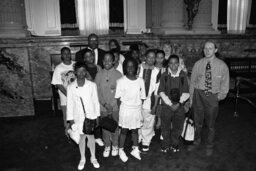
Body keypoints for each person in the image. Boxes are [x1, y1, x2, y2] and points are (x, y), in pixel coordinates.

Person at [189, 41, 229, 156]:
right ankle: (197, 141)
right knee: (198, 120)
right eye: (205, 48)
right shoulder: (198, 64)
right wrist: (191, 97)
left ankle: (209, 144)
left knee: (211, 123)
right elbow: (192, 82)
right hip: (198, 94)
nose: (207, 51)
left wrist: (219, 97)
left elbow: (225, 83)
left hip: (212, 95)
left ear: (215, 50)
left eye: (210, 48)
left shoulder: (222, 65)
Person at [66, 62, 100, 170]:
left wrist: (97, 116)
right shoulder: (71, 87)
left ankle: (93, 157)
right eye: (79, 71)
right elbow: (70, 104)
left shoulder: (92, 85)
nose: (81, 73)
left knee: (91, 137)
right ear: (75, 72)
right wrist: (71, 120)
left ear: (86, 72)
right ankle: (82, 158)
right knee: (81, 138)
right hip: (78, 117)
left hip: (90, 115)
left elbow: (95, 101)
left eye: (83, 71)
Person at [115, 58, 146, 162]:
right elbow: (118, 99)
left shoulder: (141, 81)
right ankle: (120, 150)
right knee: (123, 131)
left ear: (137, 68)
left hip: (136, 110)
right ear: (124, 68)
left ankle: (135, 149)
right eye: (128, 66)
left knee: (135, 130)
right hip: (125, 110)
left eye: (133, 66)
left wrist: (137, 108)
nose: (130, 68)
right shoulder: (120, 81)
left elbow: (142, 97)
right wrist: (123, 111)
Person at [158, 54, 190, 153]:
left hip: (179, 106)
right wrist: (169, 104)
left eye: (175, 63)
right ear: (168, 64)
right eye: (171, 63)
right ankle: (165, 144)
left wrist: (179, 104)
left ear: (178, 64)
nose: (173, 65)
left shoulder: (183, 75)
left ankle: (175, 144)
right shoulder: (165, 75)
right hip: (167, 106)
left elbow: (186, 92)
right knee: (165, 127)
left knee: (178, 126)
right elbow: (161, 91)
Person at [95, 52, 122, 158]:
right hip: (103, 107)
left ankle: (115, 145)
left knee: (114, 126)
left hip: (115, 107)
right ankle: (107, 145)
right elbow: (97, 91)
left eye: (109, 60)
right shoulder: (99, 74)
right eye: (105, 60)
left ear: (114, 61)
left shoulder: (118, 74)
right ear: (102, 62)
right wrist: (105, 104)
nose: (107, 62)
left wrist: (111, 104)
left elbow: (120, 92)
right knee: (105, 127)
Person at [137, 49, 159, 152]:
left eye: (153, 57)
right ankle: (138, 137)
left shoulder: (157, 71)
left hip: (150, 99)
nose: (151, 59)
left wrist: (155, 105)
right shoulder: (139, 67)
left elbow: (157, 90)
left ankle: (146, 140)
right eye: (149, 57)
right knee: (137, 119)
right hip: (137, 98)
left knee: (148, 120)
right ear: (145, 57)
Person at [51, 47, 76, 135]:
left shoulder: (75, 65)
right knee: (67, 116)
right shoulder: (58, 68)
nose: (67, 55)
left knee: (77, 114)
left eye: (68, 53)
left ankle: (77, 132)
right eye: (64, 54)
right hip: (65, 97)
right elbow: (58, 84)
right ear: (61, 55)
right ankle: (68, 133)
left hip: (77, 96)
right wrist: (68, 95)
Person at [82, 48, 104, 147]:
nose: (89, 58)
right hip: (87, 97)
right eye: (87, 56)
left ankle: (98, 137)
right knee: (88, 118)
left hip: (98, 96)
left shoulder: (99, 67)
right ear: (84, 59)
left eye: (91, 55)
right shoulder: (83, 70)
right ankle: (88, 137)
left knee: (97, 116)